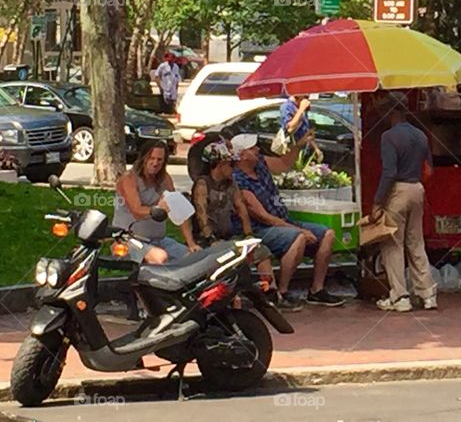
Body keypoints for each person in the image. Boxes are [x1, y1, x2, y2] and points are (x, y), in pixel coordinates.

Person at [231, 132, 345, 308]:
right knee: (297, 238)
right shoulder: (238, 180)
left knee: (327, 234)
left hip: (283, 221)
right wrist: (298, 230)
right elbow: (263, 216)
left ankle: (316, 290)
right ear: (242, 155)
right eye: (252, 148)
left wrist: (299, 145)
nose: (258, 149)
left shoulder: (261, 162)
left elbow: (284, 164)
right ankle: (282, 292)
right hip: (261, 228)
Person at [191, 140, 282, 304]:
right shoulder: (203, 184)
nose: (233, 168)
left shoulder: (231, 184)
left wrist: (248, 236)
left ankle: (270, 293)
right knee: (224, 257)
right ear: (219, 164)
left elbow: (241, 209)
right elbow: (201, 214)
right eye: (230, 164)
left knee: (261, 251)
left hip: (229, 236)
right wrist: (210, 239)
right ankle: (231, 299)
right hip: (207, 240)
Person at [371, 93, 437, 313]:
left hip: (397, 190)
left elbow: (389, 172)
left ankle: (400, 296)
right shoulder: (421, 135)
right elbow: (429, 167)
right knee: (416, 242)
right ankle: (428, 294)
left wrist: (378, 202)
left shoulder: (389, 137)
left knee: (392, 243)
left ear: (391, 112)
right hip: (418, 188)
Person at [113, 140, 199, 264]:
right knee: (161, 257)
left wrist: (191, 243)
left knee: (193, 257)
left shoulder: (165, 179)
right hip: (129, 240)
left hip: (159, 240)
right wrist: (159, 209)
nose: (155, 163)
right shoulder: (128, 179)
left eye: (159, 160)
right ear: (143, 158)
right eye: (151, 158)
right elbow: (137, 211)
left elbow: (179, 211)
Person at [280, 93, 322, 158]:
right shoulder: (286, 107)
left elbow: (306, 130)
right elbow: (289, 129)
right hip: (293, 150)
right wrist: (301, 109)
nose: (307, 99)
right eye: (306, 96)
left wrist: (316, 148)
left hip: (304, 150)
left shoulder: (300, 106)